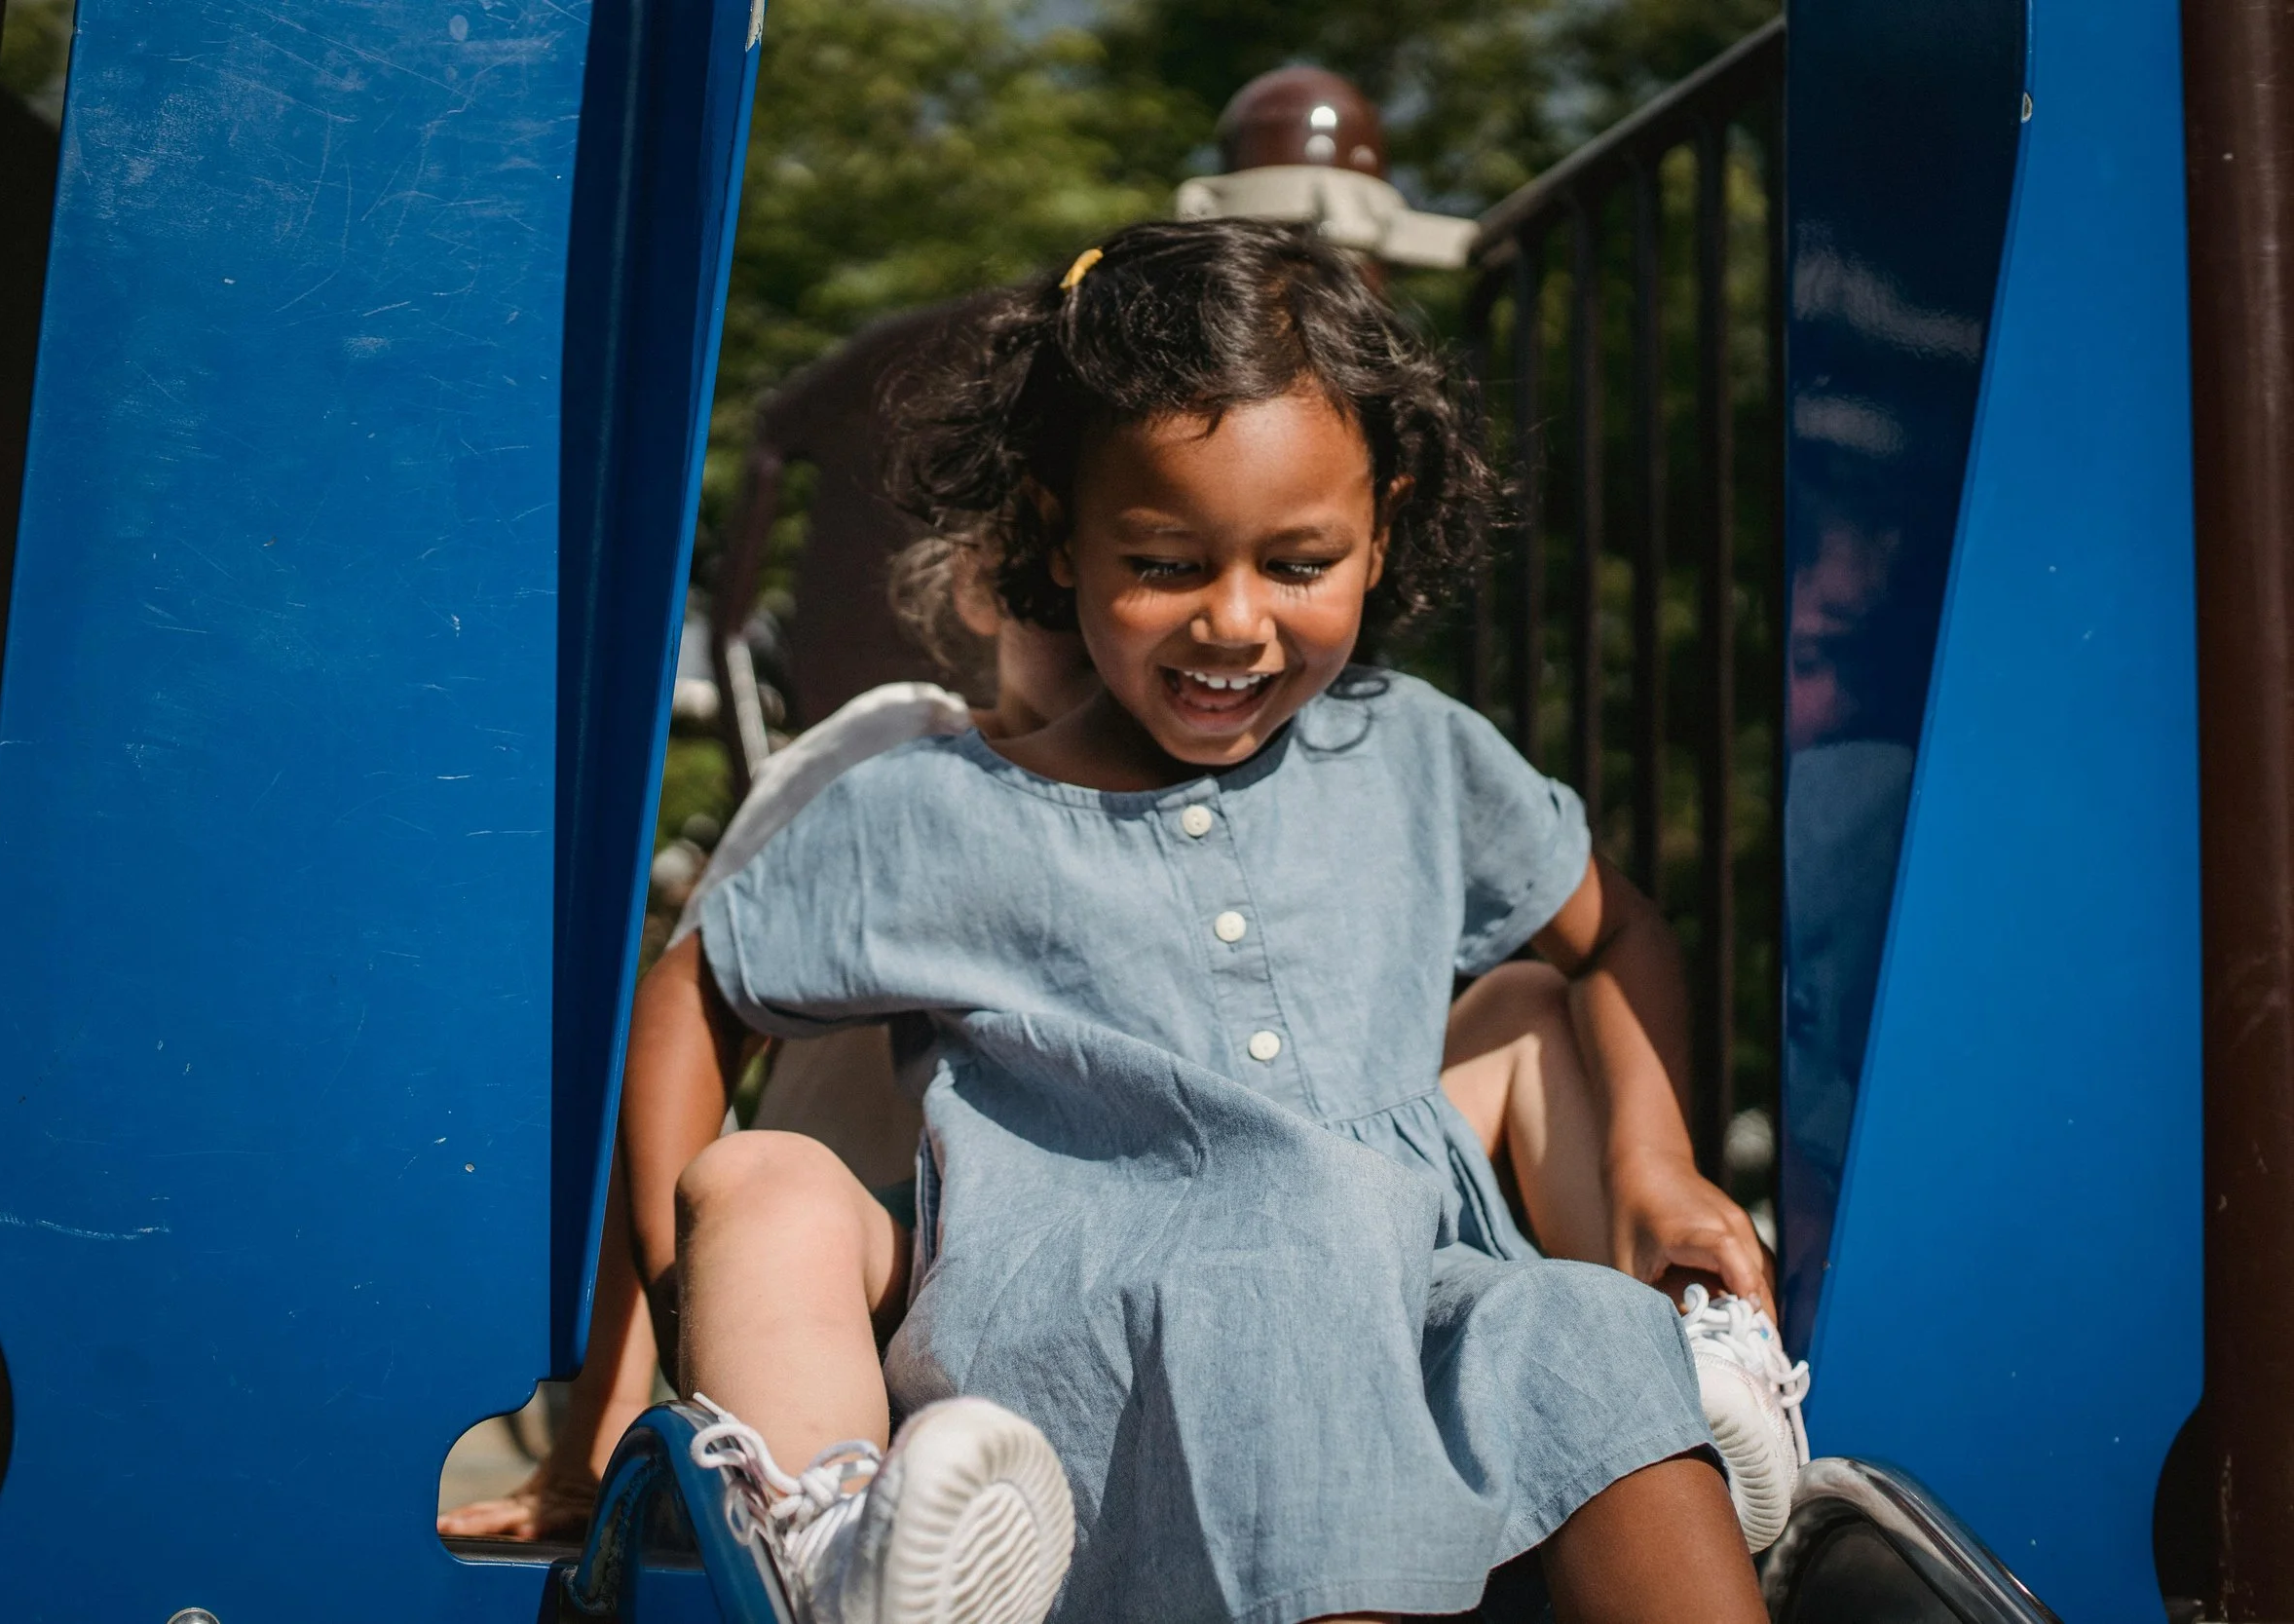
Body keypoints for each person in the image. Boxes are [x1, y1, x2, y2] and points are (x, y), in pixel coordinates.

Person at [613, 219, 1794, 1624]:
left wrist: (1657, 1167)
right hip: (1082, 1319)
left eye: (1298, 564)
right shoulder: (935, 812)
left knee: (1589, 1330)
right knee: (771, 1187)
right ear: (1061, 527)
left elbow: (1616, 934)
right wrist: (698, 1316)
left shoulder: (1417, 754)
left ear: (1385, 523)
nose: (1233, 623)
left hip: (1405, 1285)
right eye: (1166, 561)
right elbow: (691, 993)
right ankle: (839, 1534)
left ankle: (1704, 1414)